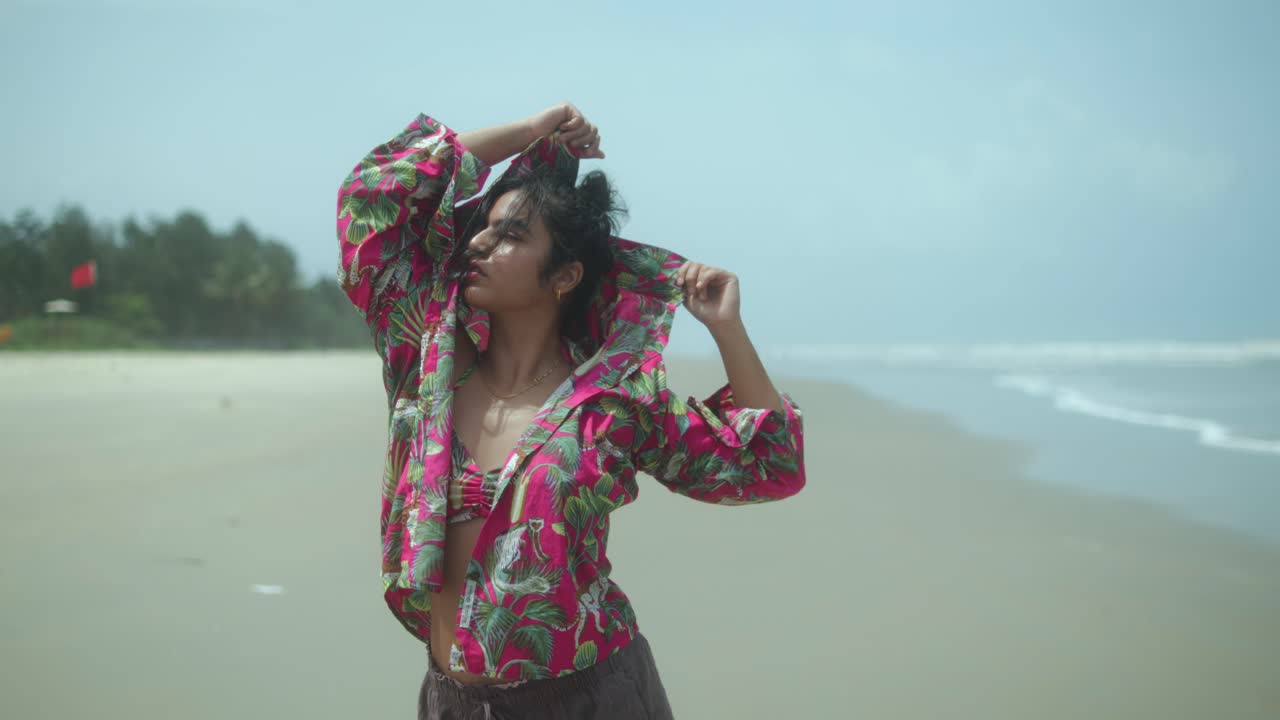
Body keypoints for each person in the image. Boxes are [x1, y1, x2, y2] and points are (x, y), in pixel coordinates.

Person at [337, 102, 807, 719]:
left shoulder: (611, 402)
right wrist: (528, 134)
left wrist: (728, 331)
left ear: (565, 276)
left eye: (510, 235)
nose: (478, 242)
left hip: (589, 699)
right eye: (485, 227)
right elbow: (374, 199)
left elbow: (766, 465)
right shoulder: (426, 364)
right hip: (450, 702)